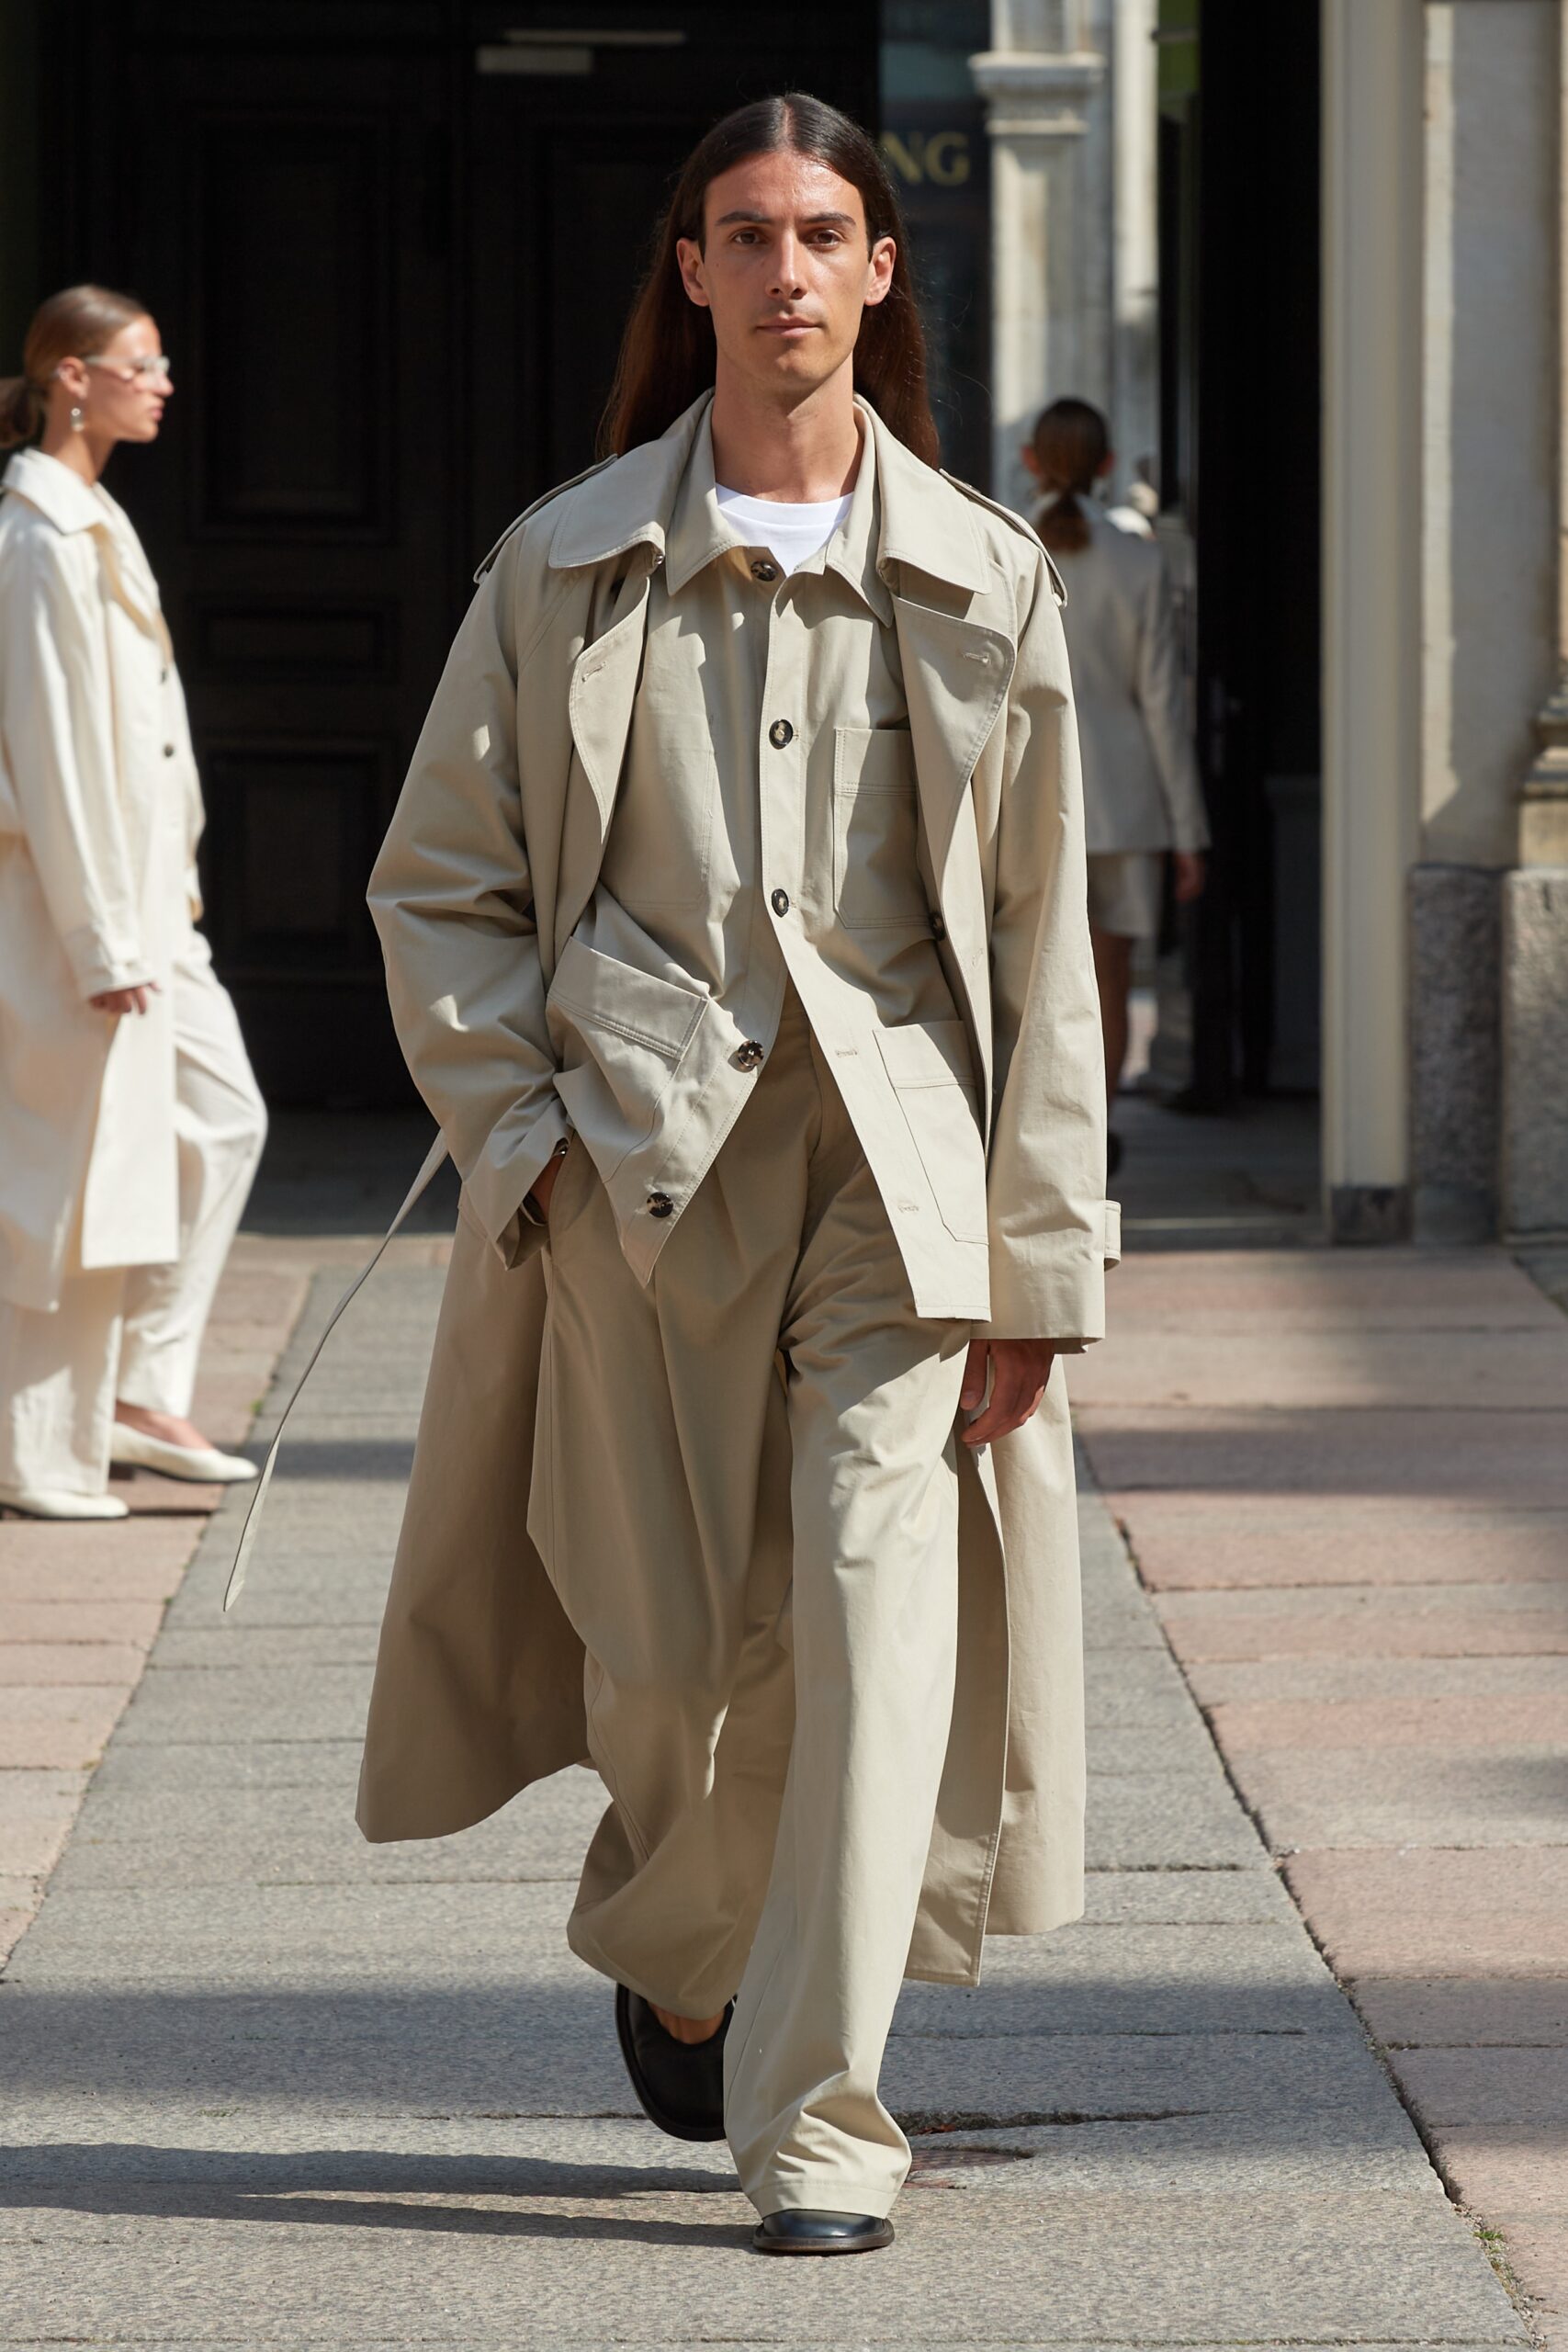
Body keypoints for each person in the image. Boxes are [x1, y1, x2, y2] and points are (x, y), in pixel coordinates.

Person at [355, 96, 1116, 2255]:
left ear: (881, 270)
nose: (785, 272)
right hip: (635, 1183)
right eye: (743, 236)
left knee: (876, 1641)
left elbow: (1043, 940)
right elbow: (438, 889)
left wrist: (1036, 1258)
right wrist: (524, 1150)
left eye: (822, 235)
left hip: (901, 1191)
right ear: (685, 273)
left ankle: (817, 2121)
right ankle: (680, 1933)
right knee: (670, 1669)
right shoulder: (560, 562)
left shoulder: (986, 574)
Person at [0, 286, 266, 1521]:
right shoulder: (41, 536)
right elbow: (49, 748)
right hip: (80, 915)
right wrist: (99, 937)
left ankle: (138, 1398)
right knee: (63, 1175)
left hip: (151, 910)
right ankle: (41, 1451)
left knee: (215, 1123)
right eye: (138, 364)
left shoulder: (92, 515)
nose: (161, 383)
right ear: (69, 377)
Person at [1022, 399, 1209, 1170]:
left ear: (1032, 460)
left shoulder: (1003, 547)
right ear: (1106, 466)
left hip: (1029, 793)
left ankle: (1043, 1135)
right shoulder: (1138, 562)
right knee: (1108, 972)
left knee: (1028, 975)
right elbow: (1164, 702)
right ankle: (1093, 1137)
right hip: (1127, 799)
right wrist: (1189, 830)